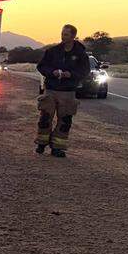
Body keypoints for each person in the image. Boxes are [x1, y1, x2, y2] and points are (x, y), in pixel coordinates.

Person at [35, 24, 90, 157]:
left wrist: (71, 75)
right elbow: (41, 66)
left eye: (66, 34)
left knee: (65, 121)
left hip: (68, 91)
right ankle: (41, 143)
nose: (62, 36)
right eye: (62, 33)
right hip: (51, 90)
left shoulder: (80, 54)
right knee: (45, 118)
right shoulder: (52, 51)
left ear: (73, 36)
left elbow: (84, 71)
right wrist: (52, 72)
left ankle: (57, 147)